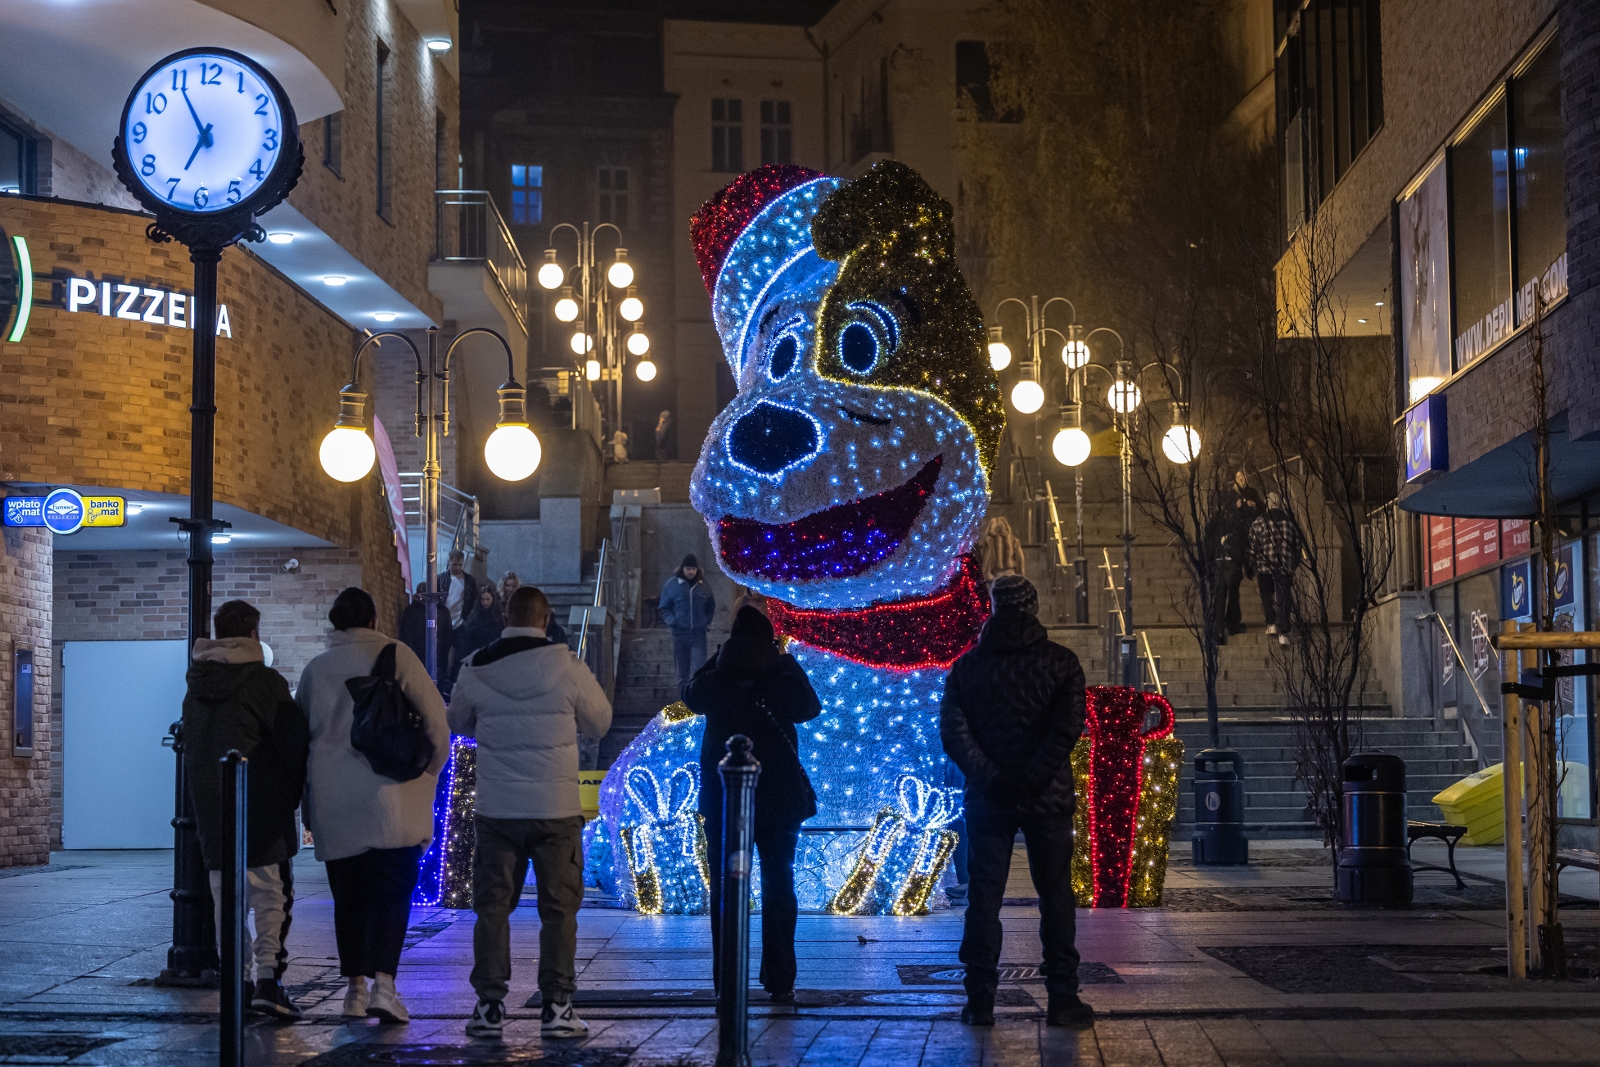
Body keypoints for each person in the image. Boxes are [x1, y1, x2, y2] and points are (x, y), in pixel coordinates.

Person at [449, 585, 613, 1039]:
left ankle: (488, 1007)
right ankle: (557, 1008)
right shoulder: (568, 667)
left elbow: (457, 723)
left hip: (497, 809)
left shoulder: (477, 667)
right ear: (546, 619)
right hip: (555, 810)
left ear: (506, 616)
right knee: (559, 910)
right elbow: (600, 721)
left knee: (492, 908)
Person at [940, 575, 1092, 1030]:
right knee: (1056, 896)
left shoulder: (968, 667)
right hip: (1048, 798)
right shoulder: (1061, 663)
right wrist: (1033, 777)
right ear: (1035, 606)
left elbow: (954, 733)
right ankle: (1063, 998)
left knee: (984, 898)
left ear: (993, 608)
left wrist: (992, 778)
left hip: (990, 801)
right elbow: (1067, 728)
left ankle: (980, 1001)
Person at [297, 587, 450, 1024]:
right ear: (374, 619)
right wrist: (428, 774)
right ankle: (385, 985)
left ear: (334, 622)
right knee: (391, 894)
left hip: (334, 803)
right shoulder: (398, 655)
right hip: (392, 800)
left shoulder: (315, 670)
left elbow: (301, 738)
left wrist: (308, 802)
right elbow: (437, 723)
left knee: (349, 900)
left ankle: (353, 991)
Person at [684, 602, 821, 1004]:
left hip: (723, 803)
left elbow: (690, 694)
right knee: (779, 885)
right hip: (780, 801)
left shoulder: (717, 678)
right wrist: (783, 660)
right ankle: (780, 979)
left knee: (726, 892)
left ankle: (728, 979)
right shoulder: (779, 672)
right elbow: (810, 708)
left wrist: (721, 656)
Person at [181, 599, 309, 1019]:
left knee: (226, 900)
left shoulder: (195, 686)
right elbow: (294, 745)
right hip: (263, 810)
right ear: (253, 634)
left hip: (213, 812)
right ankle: (268, 983)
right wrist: (294, 794)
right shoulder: (266, 682)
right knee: (273, 897)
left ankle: (237, 981)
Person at [1249, 491, 1301, 647]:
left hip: (1264, 566)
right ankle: (1284, 632)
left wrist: (1253, 563)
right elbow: (1298, 546)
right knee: (1283, 598)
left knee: (1267, 596)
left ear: (1267, 504)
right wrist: (1293, 563)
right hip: (1284, 566)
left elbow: (1252, 546)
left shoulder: (1258, 523)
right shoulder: (1289, 523)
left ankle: (1271, 624)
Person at [659, 554, 715, 692]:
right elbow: (664, 607)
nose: (691, 572)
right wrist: (673, 621)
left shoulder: (704, 584)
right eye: (688, 569)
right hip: (679, 635)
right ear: (683, 569)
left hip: (698, 634)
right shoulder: (672, 585)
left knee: (700, 668)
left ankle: (699, 699)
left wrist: (705, 622)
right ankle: (684, 700)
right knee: (682, 672)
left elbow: (711, 605)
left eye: (693, 569)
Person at [398, 582, 454, 684]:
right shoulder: (412, 611)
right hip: (423, 658)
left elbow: (447, 637)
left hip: (432, 658)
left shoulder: (442, 611)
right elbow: (407, 635)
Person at [458, 585, 504, 662]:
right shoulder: (474, 614)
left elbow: (499, 631)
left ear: (492, 598)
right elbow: (471, 632)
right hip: (477, 650)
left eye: (488, 599)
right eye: (483, 599)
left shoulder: (498, 614)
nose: (485, 602)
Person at [975, 516, 1025, 583]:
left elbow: (986, 559)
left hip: (995, 574)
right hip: (1011, 573)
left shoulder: (989, 541)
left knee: (997, 592)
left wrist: (986, 574)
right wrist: (1020, 573)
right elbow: (1020, 558)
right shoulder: (1014, 540)